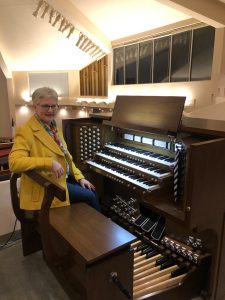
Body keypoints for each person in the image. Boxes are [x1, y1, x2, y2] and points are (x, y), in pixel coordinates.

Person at [9, 87, 100, 211]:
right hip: (48, 187)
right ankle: (97, 229)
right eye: (46, 106)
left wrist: (80, 177)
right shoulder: (25, 131)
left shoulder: (54, 127)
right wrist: (49, 162)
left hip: (63, 179)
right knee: (90, 196)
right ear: (35, 106)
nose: (50, 110)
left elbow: (67, 157)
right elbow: (14, 163)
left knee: (92, 190)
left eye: (54, 106)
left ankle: (92, 227)